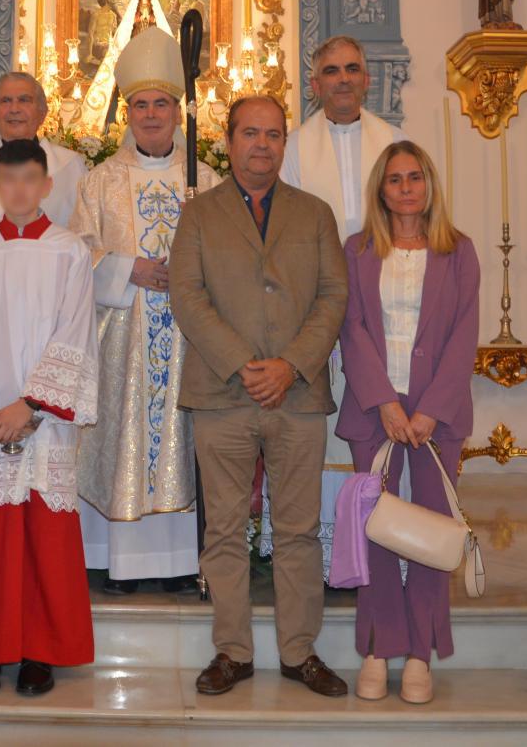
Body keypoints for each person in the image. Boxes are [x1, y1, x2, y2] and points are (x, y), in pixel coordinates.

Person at [170, 95, 349, 698]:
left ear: (283, 143)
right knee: (223, 530)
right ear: (231, 139)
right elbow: (186, 296)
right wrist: (246, 365)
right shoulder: (199, 214)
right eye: (252, 133)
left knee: (298, 529)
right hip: (222, 394)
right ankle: (233, 651)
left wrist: (291, 365)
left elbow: (333, 297)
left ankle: (300, 653)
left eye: (274, 135)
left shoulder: (315, 213)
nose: (263, 145)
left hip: (296, 396)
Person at [0, 138, 99, 698]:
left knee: (43, 541)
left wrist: (29, 406)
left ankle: (38, 652)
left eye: (32, 179)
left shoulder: (71, 251)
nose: (21, 190)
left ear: (47, 185)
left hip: (42, 422)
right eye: (11, 180)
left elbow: (74, 333)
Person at [70, 27, 220, 595]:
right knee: (124, 437)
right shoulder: (99, 181)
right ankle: (119, 561)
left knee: (182, 441)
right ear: (125, 112)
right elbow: (78, 250)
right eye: (140, 104)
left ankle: (181, 560)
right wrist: (129, 268)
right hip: (122, 337)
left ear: (179, 113)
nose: (151, 114)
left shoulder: (205, 181)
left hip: (187, 340)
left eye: (161, 103)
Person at [336, 140, 479, 704]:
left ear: (429, 185)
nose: (405, 188)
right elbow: (352, 330)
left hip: (436, 417)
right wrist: (386, 403)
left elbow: (464, 335)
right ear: (381, 189)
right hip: (376, 412)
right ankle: (378, 647)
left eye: (414, 177)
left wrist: (428, 409)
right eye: (394, 179)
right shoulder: (357, 249)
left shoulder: (458, 251)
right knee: (377, 533)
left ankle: (420, 653)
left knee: (429, 535)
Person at [274, 36, 404, 579]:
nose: (343, 79)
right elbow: (286, 233)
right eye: (331, 71)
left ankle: (391, 545)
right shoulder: (296, 147)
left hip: (388, 311)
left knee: (386, 417)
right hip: (319, 307)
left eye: (353, 69)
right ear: (314, 83)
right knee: (324, 431)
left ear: (367, 79)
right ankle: (333, 556)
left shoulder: (395, 142)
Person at [0, 72, 87, 234]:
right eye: (5, 101)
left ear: (42, 113)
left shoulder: (71, 166)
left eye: (24, 100)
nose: (14, 109)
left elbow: (84, 232)